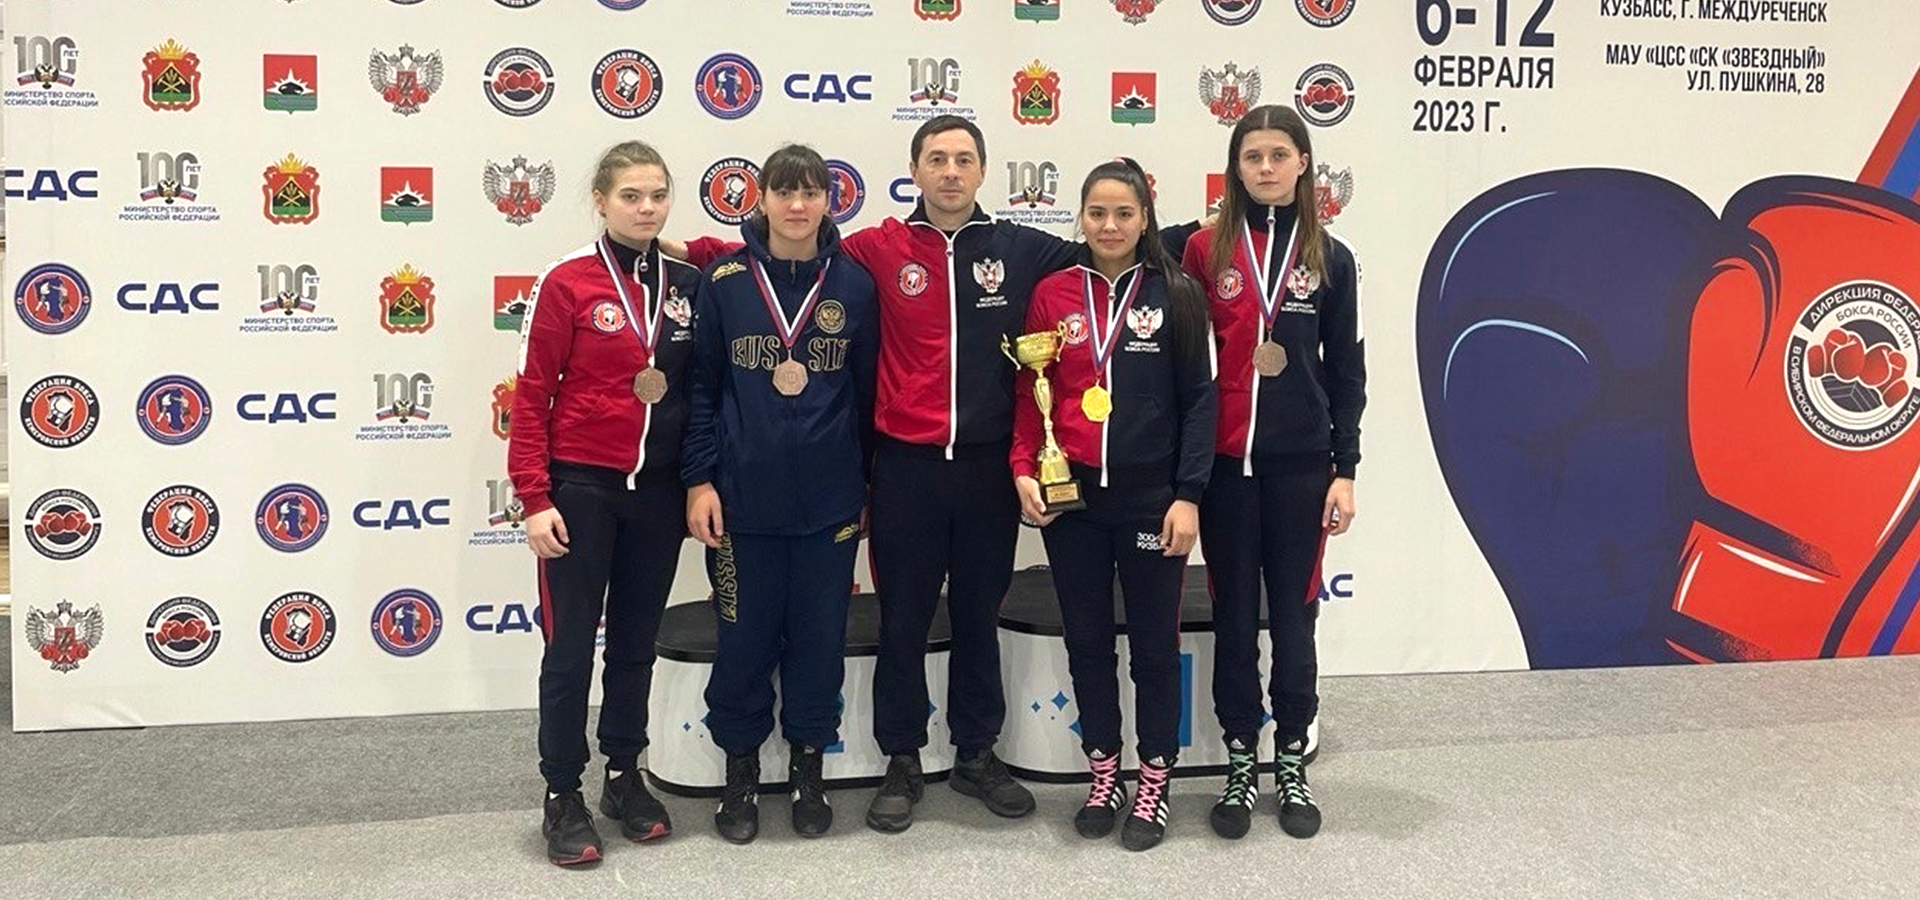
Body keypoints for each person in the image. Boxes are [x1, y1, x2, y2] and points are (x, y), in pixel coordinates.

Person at [667, 118, 1201, 832]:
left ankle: (977, 752)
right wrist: (687, 248)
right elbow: (787, 248)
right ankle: (901, 758)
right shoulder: (876, 248)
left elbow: (1115, 243)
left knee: (978, 616)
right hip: (905, 470)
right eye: (937, 159)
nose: (951, 171)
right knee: (904, 619)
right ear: (914, 170)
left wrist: (1206, 229)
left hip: (986, 470)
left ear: (982, 172)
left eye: (964, 159)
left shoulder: (1022, 249)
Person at [509, 140, 704, 866]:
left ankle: (624, 774)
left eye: (658, 195)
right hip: (581, 492)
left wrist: (687, 245)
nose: (646, 208)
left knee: (633, 644)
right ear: (600, 200)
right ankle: (562, 791)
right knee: (568, 651)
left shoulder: (689, 283)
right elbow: (532, 395)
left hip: (657, 495)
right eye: (631, 196)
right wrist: (534, 497)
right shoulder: (567, 282)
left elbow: (745, 248)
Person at [1012, 159, 1217, 851]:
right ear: (1081, 217)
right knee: (1088, 640)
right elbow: (1031, 395)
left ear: (1144, 219)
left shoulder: (1178, 292)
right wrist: (1023, 467)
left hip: (1151, 499)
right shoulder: (1052, 294)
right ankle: (1103, 770)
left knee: (1155, 647)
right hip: (1073, 499)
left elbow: (1200, 401)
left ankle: (1155, 775)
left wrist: (1188, 495)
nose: (1109, 226)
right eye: (1097, 213)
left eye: (1123, 213)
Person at [681, 143, 879, 844]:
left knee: (820, 641)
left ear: (830, 200)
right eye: (784, 192)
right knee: (743, 640)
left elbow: (866, 396)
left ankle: (807, 765)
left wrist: (866, 487)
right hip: (742, 504)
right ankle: (739, 771)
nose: (798, 206)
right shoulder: (725, 281)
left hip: (830, 504)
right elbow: (701, 389)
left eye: (812, 192)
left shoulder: (855, 285)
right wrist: (700, 479)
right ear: (760, 199)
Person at [1180, 105, 1366, 841]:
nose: (1265, 167)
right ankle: (1237, 760)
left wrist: (1346, 468)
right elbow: (1182, 361)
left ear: (1302, 164)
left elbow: (1346, 369)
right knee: (1232, 617)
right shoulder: (1203, 250)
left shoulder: (1331, 257)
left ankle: (1290, 758)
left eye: (1278, 155)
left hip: (1301, 469)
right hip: (1226, 470)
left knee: (1294, 617)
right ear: (1235, 167)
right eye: (1252, 156)